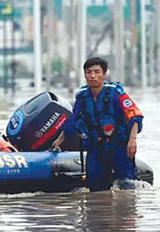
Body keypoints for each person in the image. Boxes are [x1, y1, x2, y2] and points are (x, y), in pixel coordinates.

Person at [52, 57, 144, 192]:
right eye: (89, 72)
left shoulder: (115, 93)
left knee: (127, 187)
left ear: (104, 74)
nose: (92, 76)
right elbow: (73, 120)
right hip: (96, 148)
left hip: (118, 146)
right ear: (85, 75)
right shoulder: (82, 97)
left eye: (97, 72)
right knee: (96, 188)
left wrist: (132, 140)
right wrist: (59, 140)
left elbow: (134, 115)